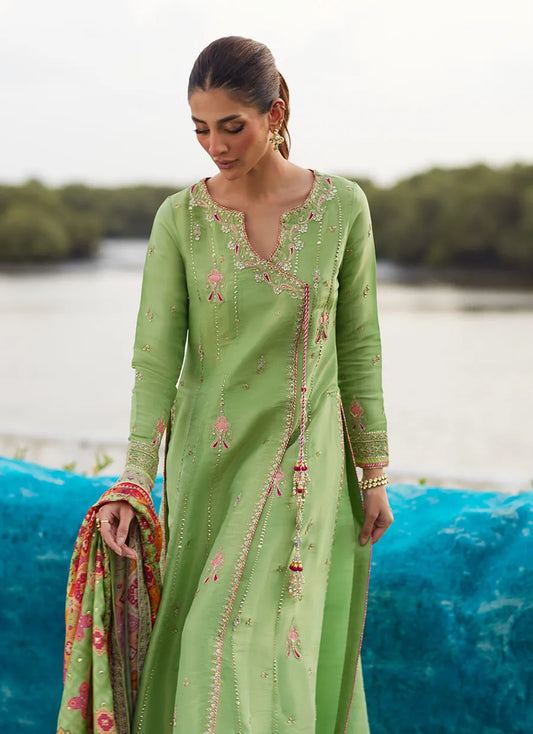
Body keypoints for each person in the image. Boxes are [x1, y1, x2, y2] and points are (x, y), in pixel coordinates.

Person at [60, 36, 394, 734]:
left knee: (238, 640)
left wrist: (373, 472)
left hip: (303, 467)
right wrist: (133, 479)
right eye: (200, 129)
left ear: (276, 113)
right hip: (207, 466)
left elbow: (360, 343)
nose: (215, 145)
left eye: (232, 126)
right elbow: (155, 361)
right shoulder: (180, 220)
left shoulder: (342, 208)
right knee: (207, 640)